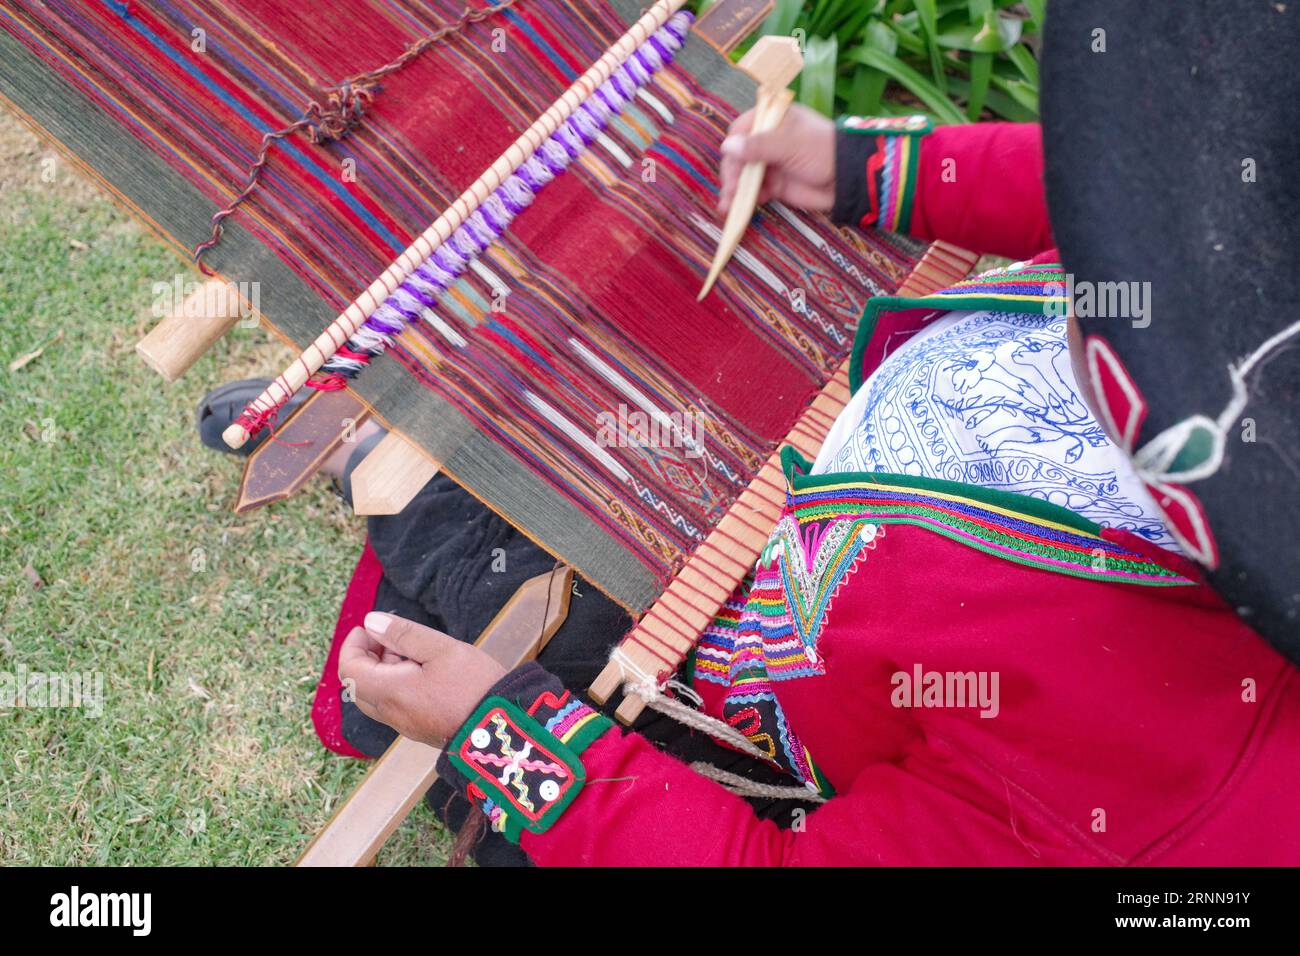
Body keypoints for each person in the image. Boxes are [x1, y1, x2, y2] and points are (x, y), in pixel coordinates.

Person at [203, 2, 1300, 864]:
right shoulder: (1225, 256)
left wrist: (499, 728)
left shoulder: (1148, 788)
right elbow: (1127, 196)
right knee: (625, 320)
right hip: (844, 417)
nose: (1147, 255)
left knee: (494, 557)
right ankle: (386, 439)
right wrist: (871, 168)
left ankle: (368, 459)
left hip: (727, 657)